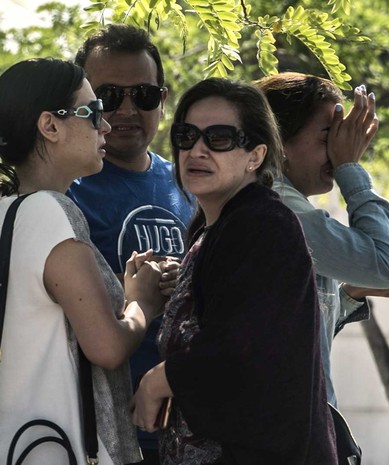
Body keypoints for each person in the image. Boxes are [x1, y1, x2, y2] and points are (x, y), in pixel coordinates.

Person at [131, 78, 337, 464]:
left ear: (255, 155)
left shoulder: (262, 224)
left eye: (220, 138)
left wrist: (157, 380)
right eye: (186, 136)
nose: (198, 150)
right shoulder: (215, 229)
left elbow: (241, 351)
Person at [0, 58, 164, 464]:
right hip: (65, 447)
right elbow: (107, 347)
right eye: (93, 112)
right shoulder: (52, 212)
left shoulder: (7, 211)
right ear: (49, 126)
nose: (105, 125)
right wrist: (141, 301)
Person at [68, 25, 194, 463]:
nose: (125, 110)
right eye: (107, 95)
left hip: (194, 431)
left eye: (142, 95)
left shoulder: (191, 181)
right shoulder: (63, 193)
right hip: (103, 437)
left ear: (161, 100)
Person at [256, 72, 389, 405]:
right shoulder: (280, 209)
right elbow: (387, 266)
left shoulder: (278, 202)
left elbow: (301, 335)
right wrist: (350, 168)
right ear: (279, 142)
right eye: (329, 135)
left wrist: (351, 294)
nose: (337, 148)